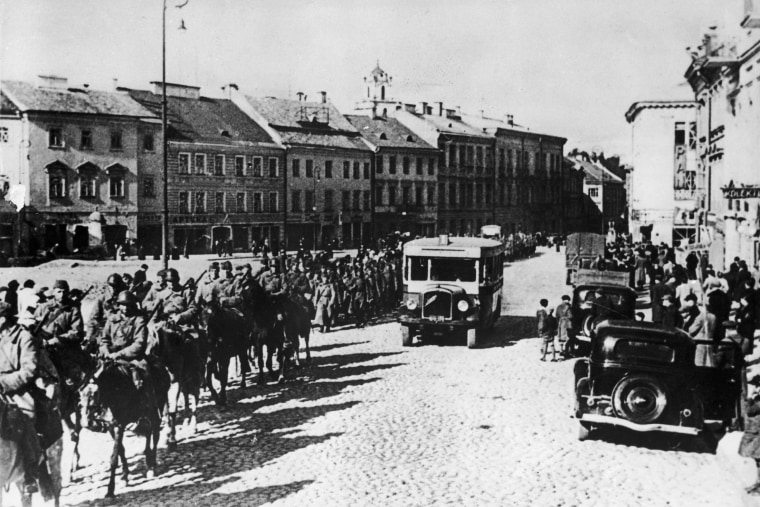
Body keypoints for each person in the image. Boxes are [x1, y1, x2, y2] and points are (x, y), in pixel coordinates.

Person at [0, 302, 43, 493]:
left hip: (18, 392)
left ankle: (30, 474)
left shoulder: (24, 337)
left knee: (25, 419)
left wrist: (3, 382)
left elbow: (29, 370)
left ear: (3, 318)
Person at [98, 291, 150, 395]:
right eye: (123, 305)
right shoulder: (112, 320)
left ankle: (149, 402)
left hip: (132, 358)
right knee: (95, 378)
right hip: (111, 357)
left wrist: (119, 354)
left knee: (144, 375)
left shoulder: (138, 320)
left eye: (128, 305)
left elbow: (139, 343)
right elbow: (104, 339)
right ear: (118, 305)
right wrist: (106, 350)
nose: (125, 308)